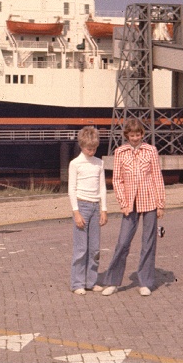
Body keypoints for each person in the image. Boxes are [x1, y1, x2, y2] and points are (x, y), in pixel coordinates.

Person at [99, 118, 166, 297]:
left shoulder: (151, 150)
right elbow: (117, 180)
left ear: (142, 135)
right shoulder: (120, 152)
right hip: (130, 204)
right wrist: (123, 202)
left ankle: (145, 282)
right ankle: (113, 281)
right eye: (131, 135)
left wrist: (160, 204)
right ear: (126, 135)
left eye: (138, 135)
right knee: (122, 242)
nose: (135, 138)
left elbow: (157, 178)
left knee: (148, 242)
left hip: (150, 200)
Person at [67, 126, 109, 295]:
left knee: (95, 249)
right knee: (81, 248)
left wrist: (104, 209)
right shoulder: (75, 164)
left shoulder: (99, 163)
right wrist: (76, 212)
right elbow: (71, 189)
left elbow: (102, 187)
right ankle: (77, 283)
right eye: (88, 148)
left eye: (94, 148)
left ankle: (91, 281)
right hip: (82, 206)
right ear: (81, 146)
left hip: (95, 207)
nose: (91, 151)